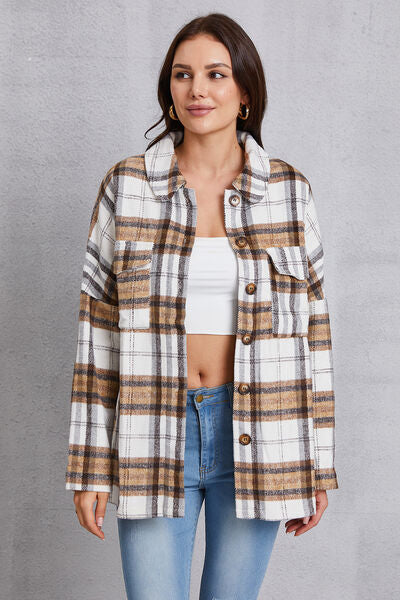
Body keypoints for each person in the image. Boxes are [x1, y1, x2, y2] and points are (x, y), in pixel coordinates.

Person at [65, 12, 339, 600]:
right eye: (182, 74)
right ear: (169, 90)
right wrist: (89, 466)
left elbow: (315, 336)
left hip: (264, 430)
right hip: (152, 428)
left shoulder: (289, 191)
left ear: (245, 91)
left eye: (216, 74)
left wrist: (317, 464)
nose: (198, 89)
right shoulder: (126, 186)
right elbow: (98, 334)